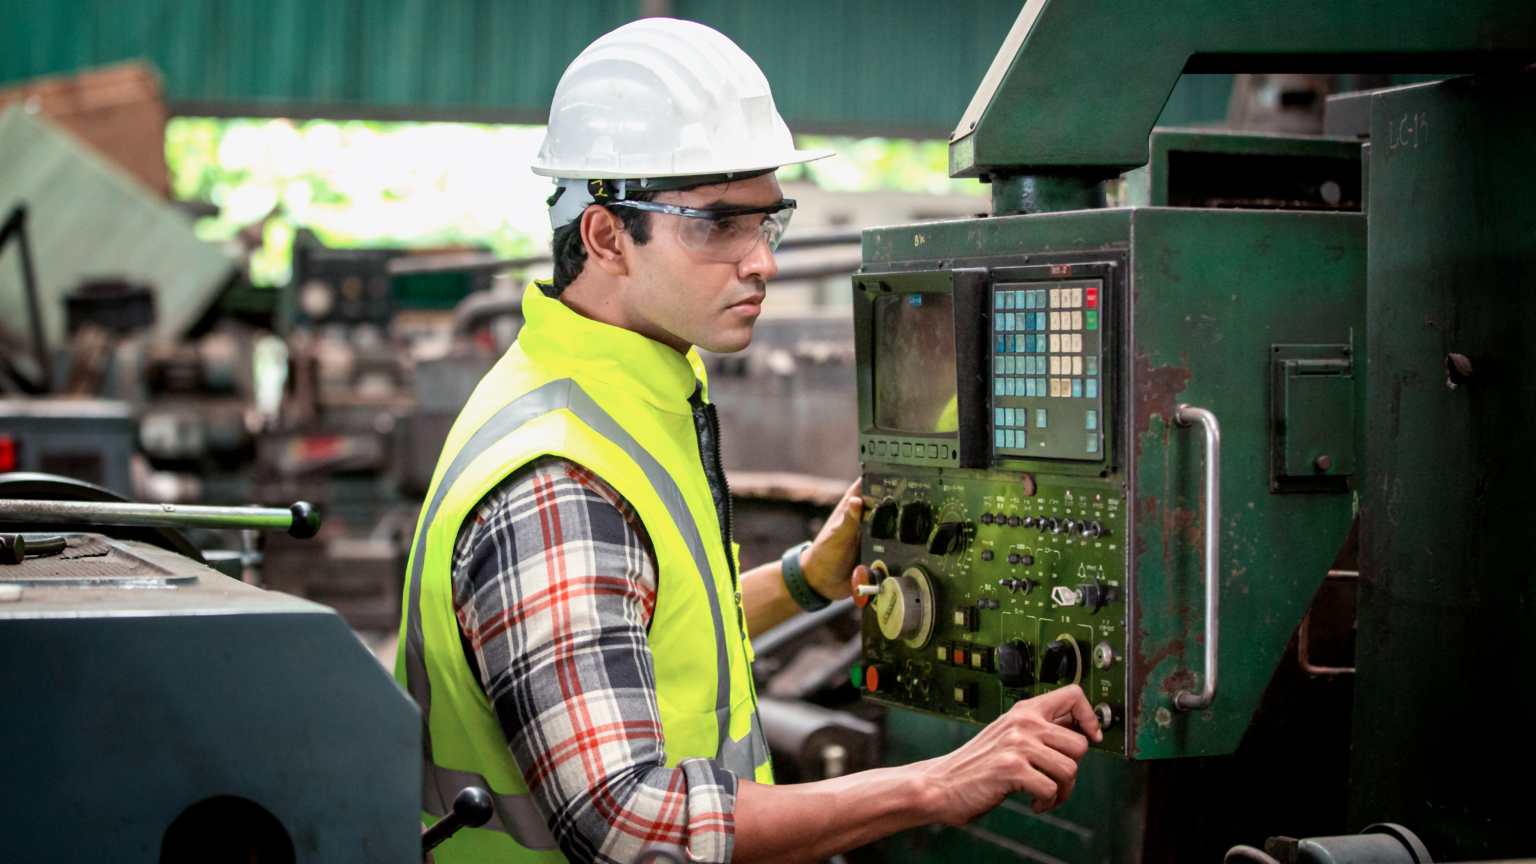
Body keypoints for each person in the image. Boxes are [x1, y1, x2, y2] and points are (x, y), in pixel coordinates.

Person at [395, 17, 1101, 863]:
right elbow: (629, 820)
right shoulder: (560, 476)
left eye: (768, 222)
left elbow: (636, 630)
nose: (760, 260)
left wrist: (807, 579)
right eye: (718, 225)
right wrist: (935, 784)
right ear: (606, 235)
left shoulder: (612, 393)